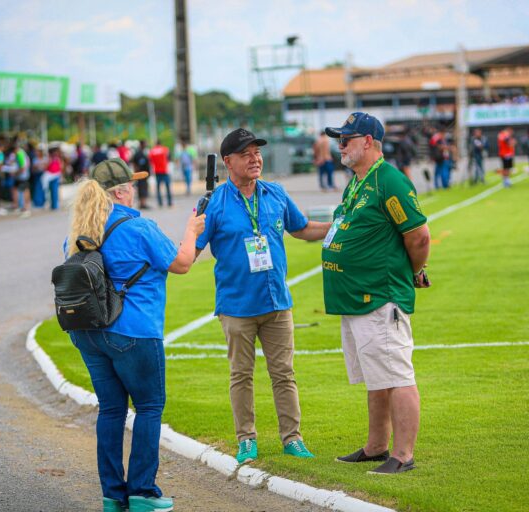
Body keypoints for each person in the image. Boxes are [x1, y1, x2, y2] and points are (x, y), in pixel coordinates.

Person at [65, 158, 205, 512]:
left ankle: (113, 494)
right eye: (134, 185)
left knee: (111, 410)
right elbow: (182, 263)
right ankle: (143, 490)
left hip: (89, 333)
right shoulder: (139, 227)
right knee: (148, 407)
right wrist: (191, 231)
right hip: (134, 331)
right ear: (123, 191)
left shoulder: (79, 231)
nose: (137, 190)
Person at [195, 128, 331, 464]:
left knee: (284, 374)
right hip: (237, 306)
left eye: (257, 152)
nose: (255, 159)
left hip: (277, 303)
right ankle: (246, 439)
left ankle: (293, 439)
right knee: (241, 375)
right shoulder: (215, 203)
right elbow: (191, 248)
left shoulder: (276, 193)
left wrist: (338, 226)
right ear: (227, 162)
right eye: (246, 154)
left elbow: (300, 228)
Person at [321, 112, 430, 475]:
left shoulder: (389, 181)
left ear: (368, 141)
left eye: (347, 139)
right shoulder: (357, 181)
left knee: (396, 375)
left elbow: (418, 236)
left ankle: (403, 455)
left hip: (380, 297)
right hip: (355, 298)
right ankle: (375, 447)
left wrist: (413, 272)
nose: (341, 145)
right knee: (376, 375)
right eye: (339, 138)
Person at [149, 140, 172, 207]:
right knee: (167, 186)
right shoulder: (165, 149)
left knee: (158, 187)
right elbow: (168, 158)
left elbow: (151, 161)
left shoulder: (152, 151)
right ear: (161, 144)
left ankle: (160, 203)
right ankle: (169, 202)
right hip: (164, 170)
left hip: (157, 171)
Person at [132, 140, 151, 209]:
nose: (146, 145)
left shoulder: (143, 153)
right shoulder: (139, 154)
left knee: (143, 189)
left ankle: (143, 203)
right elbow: (134, 163)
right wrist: (137, 173)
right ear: (141, 145)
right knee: (142, 189)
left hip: (144, 175)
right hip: (141, 175)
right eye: (145, 144)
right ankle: (142, 204)